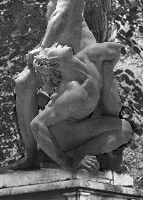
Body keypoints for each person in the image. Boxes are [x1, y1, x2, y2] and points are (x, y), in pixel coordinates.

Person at [10, 0, 97, 170]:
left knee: (29, 84)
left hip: (69, 49)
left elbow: (61, 13)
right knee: (22, 83)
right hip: (57, 47)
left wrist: (42, 48)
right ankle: (31, 155)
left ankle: (55, 153)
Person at [29, 42, 133, 171]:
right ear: (57, 66)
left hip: (80, 125)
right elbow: (37, 124)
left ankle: (77, 155)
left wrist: (107, 84)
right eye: (50, 51)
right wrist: (65, 163)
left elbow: (117, 49)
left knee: (125, 129)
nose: (55, 45)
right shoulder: (74, 94)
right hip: (60, 137)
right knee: (122, 130)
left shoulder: (91, 56)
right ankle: (74, 159)